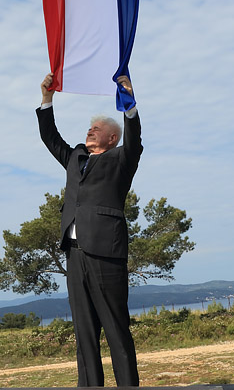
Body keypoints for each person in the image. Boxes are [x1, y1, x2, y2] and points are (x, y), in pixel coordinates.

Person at [36, 72, 142, 387]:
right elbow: (50, 137)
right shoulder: (75, 158)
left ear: (112, 138)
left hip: (106, 253)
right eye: (89, 128)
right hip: (74, 254)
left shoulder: (121, 160)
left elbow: (135, 141)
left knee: (116, 329)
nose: (90, 131)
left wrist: (129, 104)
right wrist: (47, 99)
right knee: (84, 334)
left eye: (97, 129)